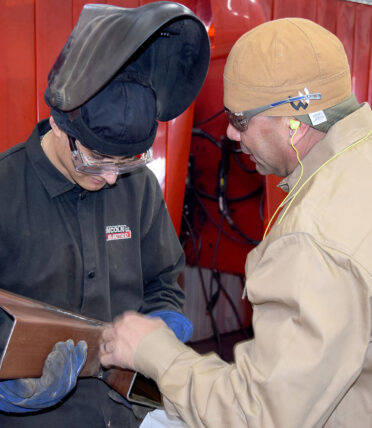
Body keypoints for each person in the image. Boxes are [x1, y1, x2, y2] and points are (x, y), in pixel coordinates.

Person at [99, 17, 372, 428]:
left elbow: (259, 415)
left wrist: (154, 351)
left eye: (241, 120)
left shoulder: (312, 239)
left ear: (294, 124)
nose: (229, 133)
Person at [0, 2, 209, 427]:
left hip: (125, 414)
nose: (113, 179)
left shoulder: (140, 187)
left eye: (127, 162)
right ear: (60, 126)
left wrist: (163, 325)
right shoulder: (5, 189)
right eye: (96, 161)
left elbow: (163, 281)